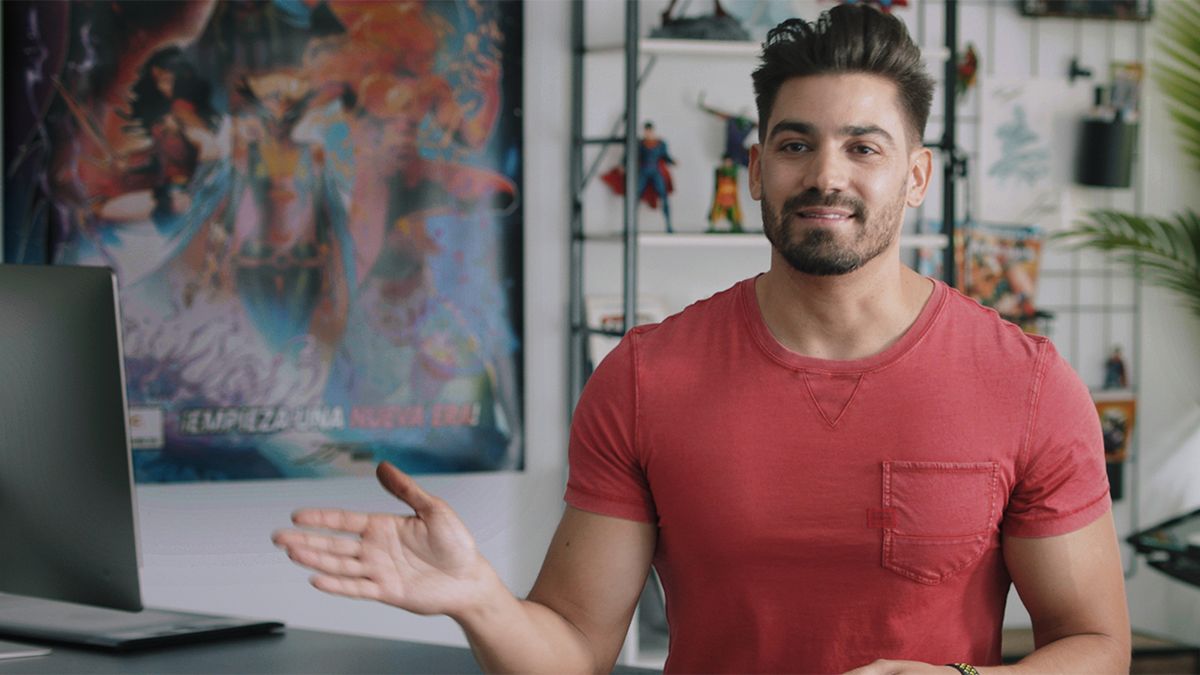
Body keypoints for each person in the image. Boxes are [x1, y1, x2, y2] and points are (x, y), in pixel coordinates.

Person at [272, 5, 1130, 673]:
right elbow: (574, 646)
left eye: (863, 147)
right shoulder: (646, 377)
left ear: (916, 176)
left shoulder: (1026, 385)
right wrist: (479, 600)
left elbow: (1096, 644)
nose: (825, 174)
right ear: (755, 169)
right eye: (795, 144)